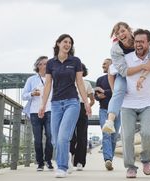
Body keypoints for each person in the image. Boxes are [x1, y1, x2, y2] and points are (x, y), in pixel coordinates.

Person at [38, 34, 92, 178]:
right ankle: (66, 156)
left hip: (72, 103)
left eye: (70, 43)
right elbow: (48, 84)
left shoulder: (75, 61)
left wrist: (86, 103)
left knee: (63, 137)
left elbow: (80, 83)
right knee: (55, 139)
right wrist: (43, 105)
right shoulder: (51, 63)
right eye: (65, 42)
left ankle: (61, 167)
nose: (67, 44)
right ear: (58, 43)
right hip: (55, 104)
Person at [121, 28, 150, 178]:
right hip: (127, 103)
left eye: (142, 42)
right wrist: (116, 91)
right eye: (136, 41)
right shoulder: (127, 58)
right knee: (127, 136)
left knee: (147, 133)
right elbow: (112, 72)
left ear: (149, 43)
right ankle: (130, 166)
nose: (138, 44)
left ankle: (146, 160)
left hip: (148, 102)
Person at [22, 56, 53, 171]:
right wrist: (32, 93)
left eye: (47, 64)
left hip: (50, 110)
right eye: (44, 64)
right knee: (38, 139)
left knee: (50, 136)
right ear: (38, 66)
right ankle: (40, 163)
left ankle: (48, 160)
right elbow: (24, 95)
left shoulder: (53, 78)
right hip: (35, 112)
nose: (46, 66)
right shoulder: (31, 80)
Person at [94, 58, 120, 171]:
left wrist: (104, 92)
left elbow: (118, 92)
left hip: (118, 111)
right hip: (104, 110)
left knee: (114, 137)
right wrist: (98, 96)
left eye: (104, 63)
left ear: (111, 64)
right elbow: (96, 95)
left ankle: (110, 159)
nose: (102, 65)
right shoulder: (99, 79)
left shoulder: (118, 78)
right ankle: (107, 159)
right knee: (106, 134)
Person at [70, 63, 95, 171]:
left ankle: (80, 161)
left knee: (82, 136)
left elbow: (92, 100)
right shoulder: (69, 82)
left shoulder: (87, 83)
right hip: (70, 107)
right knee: (70, 135)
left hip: (82, 107)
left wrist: (87, 106)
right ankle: (70, 155)